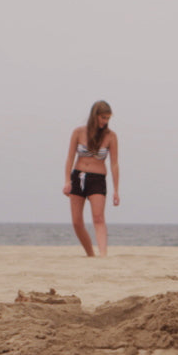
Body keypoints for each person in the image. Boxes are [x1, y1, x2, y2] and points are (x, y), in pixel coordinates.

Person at [63, 100, 120, 256]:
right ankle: (90, 254)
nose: (105, 121)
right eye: (103, 117)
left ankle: (103, 255)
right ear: (94, 115)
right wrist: (67, 181)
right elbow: (69, 158)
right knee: (76, 221)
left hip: (98, 178)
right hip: (78, 176)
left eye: (108, 118)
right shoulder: (78, 132)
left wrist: (116, 190)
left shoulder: (111, 136)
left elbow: (114, 164)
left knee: (98, 217)